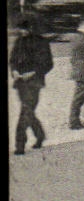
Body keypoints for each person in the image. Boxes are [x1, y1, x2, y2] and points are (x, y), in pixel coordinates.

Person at [10, 15, 53, 154]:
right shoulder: (19, 42)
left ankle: (20, 145)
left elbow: (48, 64)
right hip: (20, 83)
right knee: (28, 111)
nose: (22, 32)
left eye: (24, 29)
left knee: (26, 112)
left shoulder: (42, 42)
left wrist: (34, 73)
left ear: (32, 28)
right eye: (20, 29)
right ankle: (40, 135)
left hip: (34, 83)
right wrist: (14, 71)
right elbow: (12, 60)